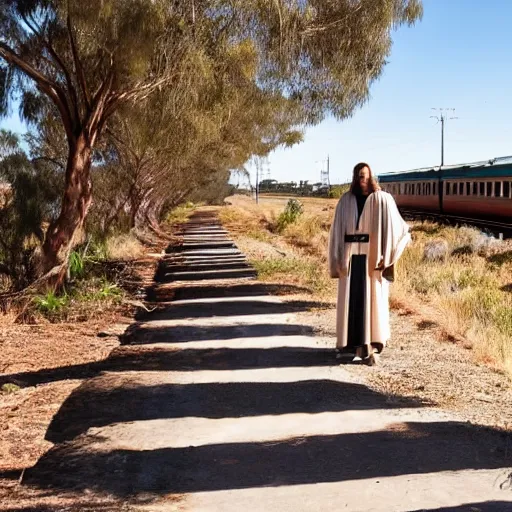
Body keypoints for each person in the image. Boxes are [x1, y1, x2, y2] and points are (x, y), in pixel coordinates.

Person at [328, 162, 410, 365]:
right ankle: (348, 345)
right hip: (349, 258)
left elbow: (398, 228)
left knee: (371, 300)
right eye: (358, 176)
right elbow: (336, 230)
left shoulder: (382, 199)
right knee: (350, 300)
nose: (361, 179)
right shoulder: (346, 201)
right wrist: (337, 257)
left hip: (371, 259)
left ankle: (372, 344)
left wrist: (386, 254)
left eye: (364, 175)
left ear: (371, 177)